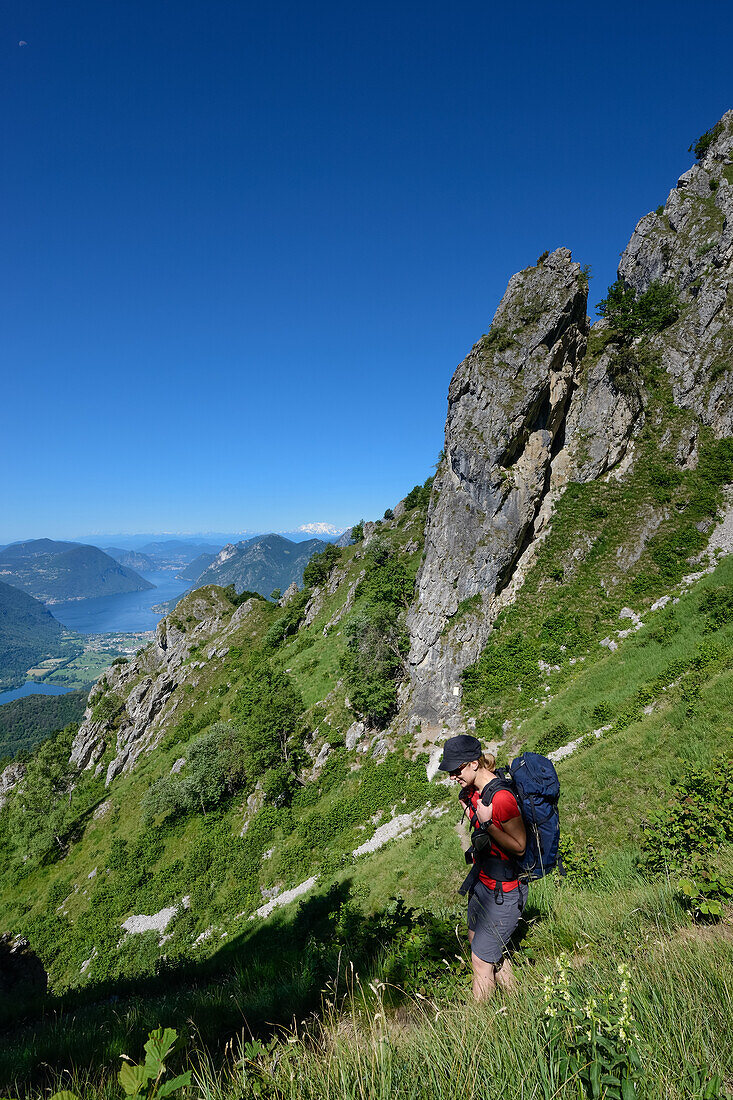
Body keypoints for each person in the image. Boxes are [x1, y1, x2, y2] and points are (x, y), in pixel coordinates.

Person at [438, 733, 527, 1000]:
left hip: (505, 891)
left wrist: (487, 823)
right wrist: (471, 811)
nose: (453, 777)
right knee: (479, 943)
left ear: (473, 764)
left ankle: (479, 1028)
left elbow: (520, 845)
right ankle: (517, 999)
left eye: (456, 770)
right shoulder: (476, 793)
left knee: (480, 961)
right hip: (484, 884)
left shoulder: (501, 798)